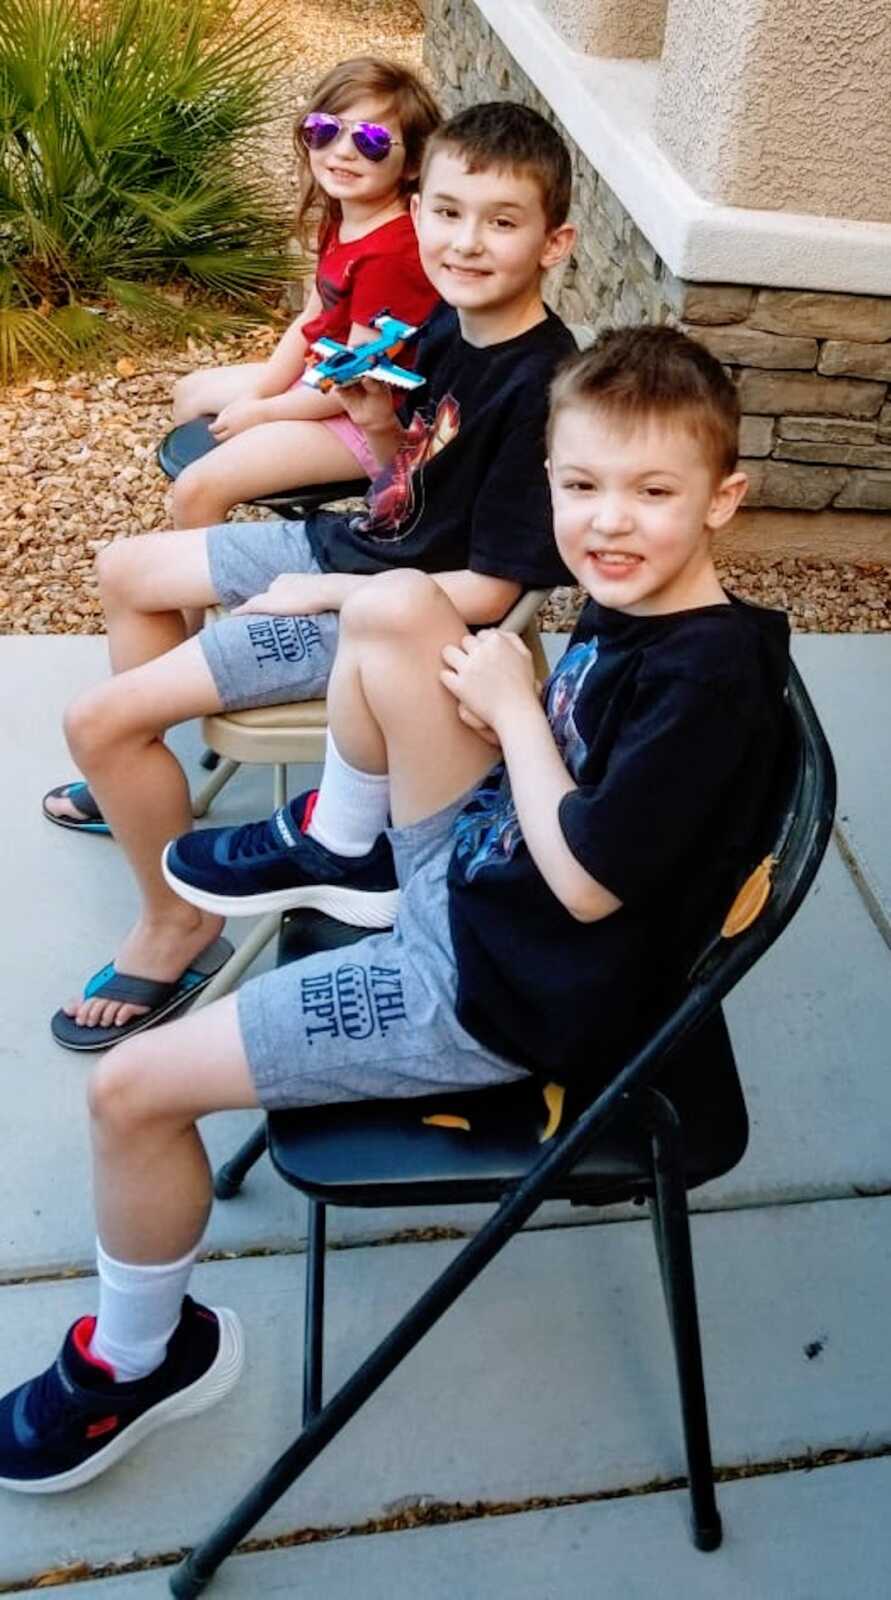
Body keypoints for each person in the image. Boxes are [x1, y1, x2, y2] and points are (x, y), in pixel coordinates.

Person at [0, 324, 790, 1493]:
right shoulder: (656, 606)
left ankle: (136, 1361)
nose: (607, 522)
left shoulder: (711, 686)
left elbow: (584, 880)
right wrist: (484, 685)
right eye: (580, 486)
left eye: (651, 491)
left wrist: (516, 710)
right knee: (403, 605)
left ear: (723, 499)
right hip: (482, 871)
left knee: (129, 1092)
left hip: (494, 988)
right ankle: (344, 846)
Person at [41, 101, 579, 1049]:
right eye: (447, 213)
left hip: (392, 612)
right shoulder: (450, 327)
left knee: (96, 720)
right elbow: (405, 480)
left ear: (553, 241)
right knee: (125, 569)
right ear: (417, 214)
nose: (465, 242)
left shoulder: (543, 390)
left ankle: (177, 924)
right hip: (363, 550)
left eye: (500, 221)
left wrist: (320, 593)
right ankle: (139, 775)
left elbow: (491, 596)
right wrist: (376, 430)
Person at [170, 56, 441, 529]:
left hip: (366, 419)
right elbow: (310, 319)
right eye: (325, 130)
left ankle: (191, 590)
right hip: (322, 381)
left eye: (372, 140)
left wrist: (265, 413)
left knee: (197, 489)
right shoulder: (345, 215)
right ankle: (194, 553)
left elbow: (353, 381)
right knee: (189, 393)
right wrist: (259, 394)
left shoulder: (393, 255)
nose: (341, 151)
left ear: (414, 162)